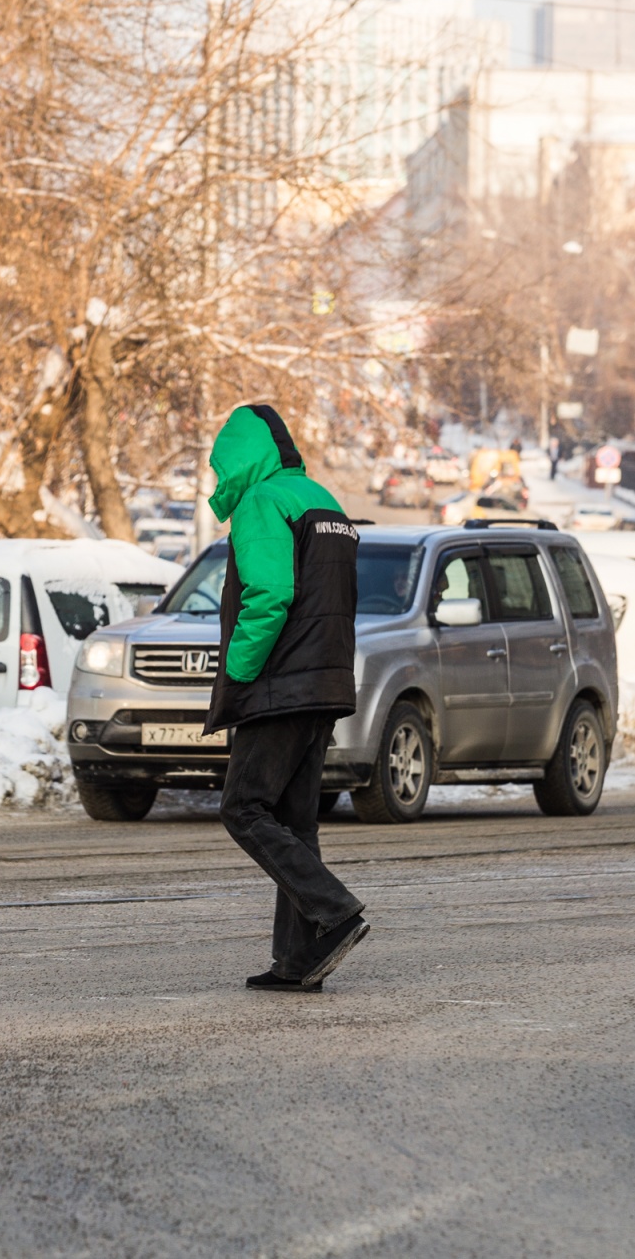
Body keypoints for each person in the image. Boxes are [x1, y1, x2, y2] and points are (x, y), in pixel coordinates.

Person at [203, 404, 368, 993]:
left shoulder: (261, 502)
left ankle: (334, 909)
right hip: (325, 680)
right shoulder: (322, 500)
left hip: (281, 683)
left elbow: (270, 594)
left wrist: (238, 669)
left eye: (220, 466)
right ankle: (298, 962)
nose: (217, 479)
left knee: (242, 808)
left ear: (240, 459)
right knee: (296, 822)